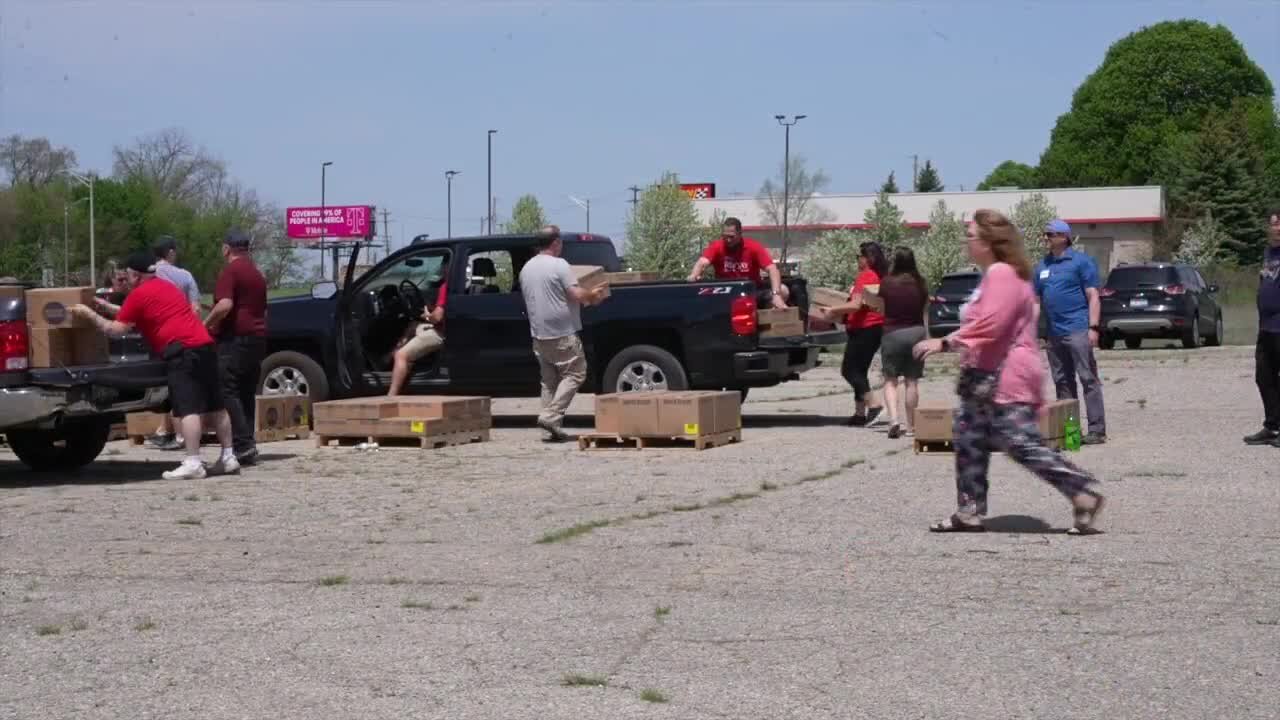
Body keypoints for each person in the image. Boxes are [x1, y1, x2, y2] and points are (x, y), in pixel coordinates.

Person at [913, 209, 1105, 534]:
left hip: (1004, 375)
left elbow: (993, 325)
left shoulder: (1002, 273)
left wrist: (946, 342)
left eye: (971, 235)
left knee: (1019, 442)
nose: (966, 241)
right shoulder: (998, 274)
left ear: (989, 242)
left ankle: (1082, 490)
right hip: (983, 375)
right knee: (969, 437)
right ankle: (969, 510)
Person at [70, 252, 237, 480]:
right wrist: (103, 306)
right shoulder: (166, 287)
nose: (125, 280)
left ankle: (193, 461)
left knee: (188, 408)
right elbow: (136, 314)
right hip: (204, 346)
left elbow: (116, 330)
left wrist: (88, 314)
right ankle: (228, 457)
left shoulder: (138, 295)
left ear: (137, 276)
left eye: (127, 276)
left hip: (181, 352)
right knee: (216, 405)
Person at [519, 225, 608, 442]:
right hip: (562, 333)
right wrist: (593, 295)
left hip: (539, 335)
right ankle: (550, 416)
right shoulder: (559, 265)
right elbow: (576, 293)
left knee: (549, 382)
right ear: (555, 243)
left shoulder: (526, 269)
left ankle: (548, 427)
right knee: (576, 374)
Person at [1033, 219, 1107, 445]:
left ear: (1064, 237)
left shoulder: (1081, 262)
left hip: (1077, 329)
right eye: (1045, 234)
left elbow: (1093, 296)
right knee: (1062, 381)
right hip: (1054, 334)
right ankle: (1071, 431)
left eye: (1051, 234)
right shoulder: (1041, 267)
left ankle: (1096, 430)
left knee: (1087, 378)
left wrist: (1093, 327)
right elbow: (1036, 302)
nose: (1047, 238)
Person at [205, 230, 269, 465]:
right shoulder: (256, 274)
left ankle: (241, 445)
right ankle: (248, 442)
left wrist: (206, 323)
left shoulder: (231, 271)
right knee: (246, 392)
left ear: (226, 249)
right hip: (257, 338)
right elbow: (261, 309)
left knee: (228, 390)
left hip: (235, 339)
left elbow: (225, 305)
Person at [813, 242, 888, 426]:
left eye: (859, 257)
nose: (857, 261)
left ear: (868, 258)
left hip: (866, 329)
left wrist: (833, 310)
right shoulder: (877, 276)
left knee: (849, 370)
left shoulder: (866, 276)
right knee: (859, 371)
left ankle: (874, 404)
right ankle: (860, 414)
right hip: (869, 328)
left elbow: (855, 305)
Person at [147, 236, 204, 450]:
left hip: (156, 335)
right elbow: (195, 309)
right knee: (182, 386)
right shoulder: (185, 276)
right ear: (170, 252)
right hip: (182, 337)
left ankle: (167, 430)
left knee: (164, 384)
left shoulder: (149, 274)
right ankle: (180, 435)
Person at [874, 246, 929, 439]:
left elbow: (881, 310)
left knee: (890, 380)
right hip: (916, 333)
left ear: (895, 261)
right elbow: (924, 310)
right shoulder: (921, 283)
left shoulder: (887, 283)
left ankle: (894, 420)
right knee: (911, 381)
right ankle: (911, 427)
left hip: (892, 333)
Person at [688, 217, 789, 309]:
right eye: (725, 236)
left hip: (752, 292)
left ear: (740, 233)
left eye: (731, 237)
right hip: (725, 293)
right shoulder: (716, 246)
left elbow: (772, 269)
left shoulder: (753, 246)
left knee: (783, 290)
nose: (728, 240)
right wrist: (694, 275)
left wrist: (776, 295)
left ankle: (765, 322)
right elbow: (702, 262)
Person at [1244, 206, 1280, 448]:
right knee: (1263, 376)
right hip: (1266, 327)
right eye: (1273, 223)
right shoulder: (1269, 252)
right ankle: (1272, 425)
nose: (1276, 227)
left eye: (1279, 223)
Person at [388, 262, 448, 397]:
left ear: (447, 267)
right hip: (443, 328)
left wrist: (427, 316)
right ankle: (394, 358)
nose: (442, 269)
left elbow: (437, 317)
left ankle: (391, 397)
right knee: (413, 326)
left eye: (443, 266)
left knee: (401, 355)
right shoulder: (454, 285)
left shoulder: (446, 286)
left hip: (441, 332)